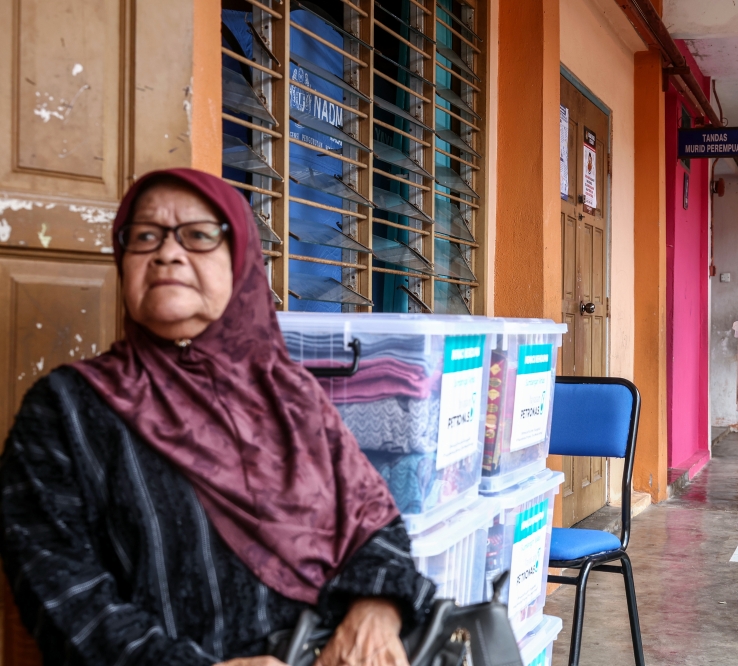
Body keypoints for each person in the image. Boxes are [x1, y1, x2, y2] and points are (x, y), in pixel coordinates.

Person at [0, 169, 434, 665]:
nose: (166, 252)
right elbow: (59, 589)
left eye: (199, 235)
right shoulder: (67, 410)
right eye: (145, 236)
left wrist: (376, 609)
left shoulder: (292, 397)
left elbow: (376, 524)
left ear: (241, 262)